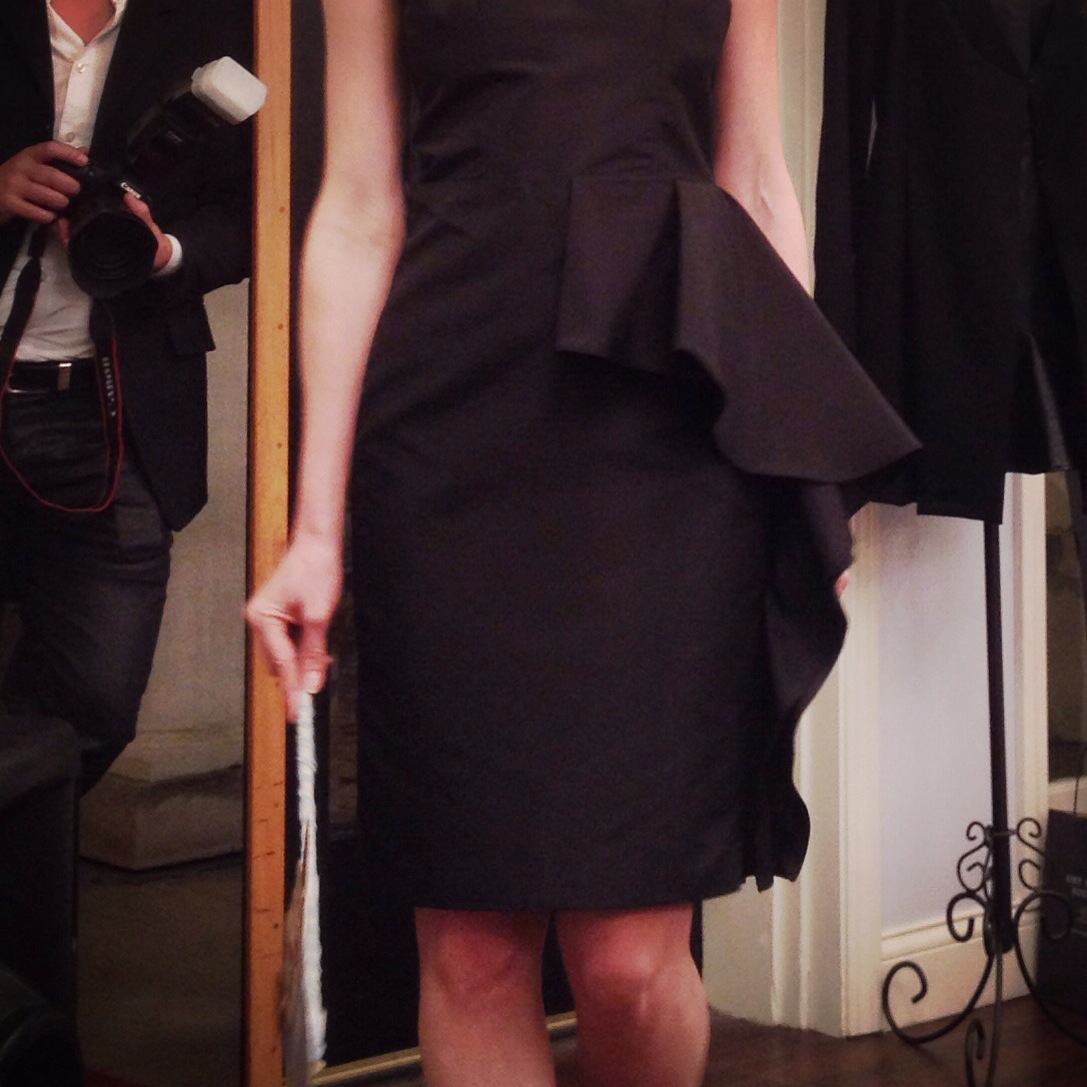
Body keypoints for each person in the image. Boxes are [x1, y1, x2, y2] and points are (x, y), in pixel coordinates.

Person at [247, 2, 917, 1085]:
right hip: (447, 423)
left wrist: (800, 465)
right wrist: (315, 526)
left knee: (628, 963)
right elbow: (359, 206)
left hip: (667, 420)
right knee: (472, 949)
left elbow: (755, 180)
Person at [0, 0, 252, 790]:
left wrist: (164, 250)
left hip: (118, 411)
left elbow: (261, 206)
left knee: (95, 703)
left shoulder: (219, 20)